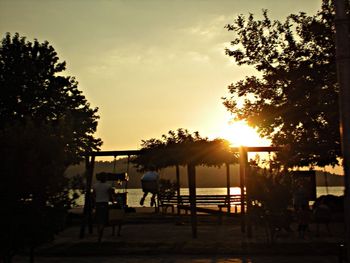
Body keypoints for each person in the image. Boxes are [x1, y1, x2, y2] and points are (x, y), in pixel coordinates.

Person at [93, 173, 114, 242]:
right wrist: (113, 200)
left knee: (99, 219)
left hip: (97, 204)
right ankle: (100, 234)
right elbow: (110, 196)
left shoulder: (95, 186)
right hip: (104, 204)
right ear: (105, 178)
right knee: (103, 220)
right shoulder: (108, 186)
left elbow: (94, 195)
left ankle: (99, 233)